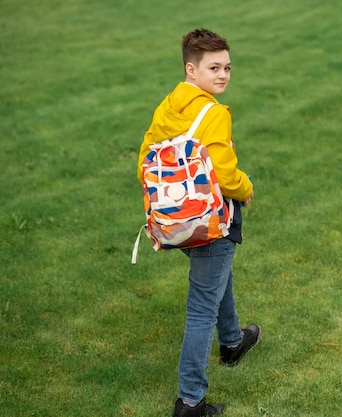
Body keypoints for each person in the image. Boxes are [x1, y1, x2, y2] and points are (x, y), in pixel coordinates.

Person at [137, 28, 261, 417]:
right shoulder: (214, 114)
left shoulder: (169, 105)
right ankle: (190, 401)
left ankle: (232, 342)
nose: (223, 75)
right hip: (212, 216)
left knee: (217, 276)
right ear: (192, 69)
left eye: (227, 67)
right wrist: (247, 188)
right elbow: (225, 175)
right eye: (213, 68)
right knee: (202, 305)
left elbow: (145, 155)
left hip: (178, 217)